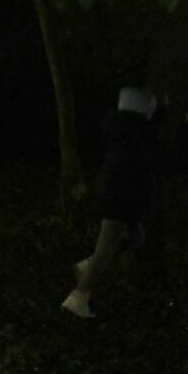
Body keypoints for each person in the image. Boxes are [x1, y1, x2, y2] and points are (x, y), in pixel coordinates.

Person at [62, 86, 159, 319]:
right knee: (105, 251)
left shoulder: (118, 130)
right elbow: (151, 164)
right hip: (121, 200)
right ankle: (78, 298)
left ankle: (86, 266)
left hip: (115, 196)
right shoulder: (137, 135)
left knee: (136, 237)